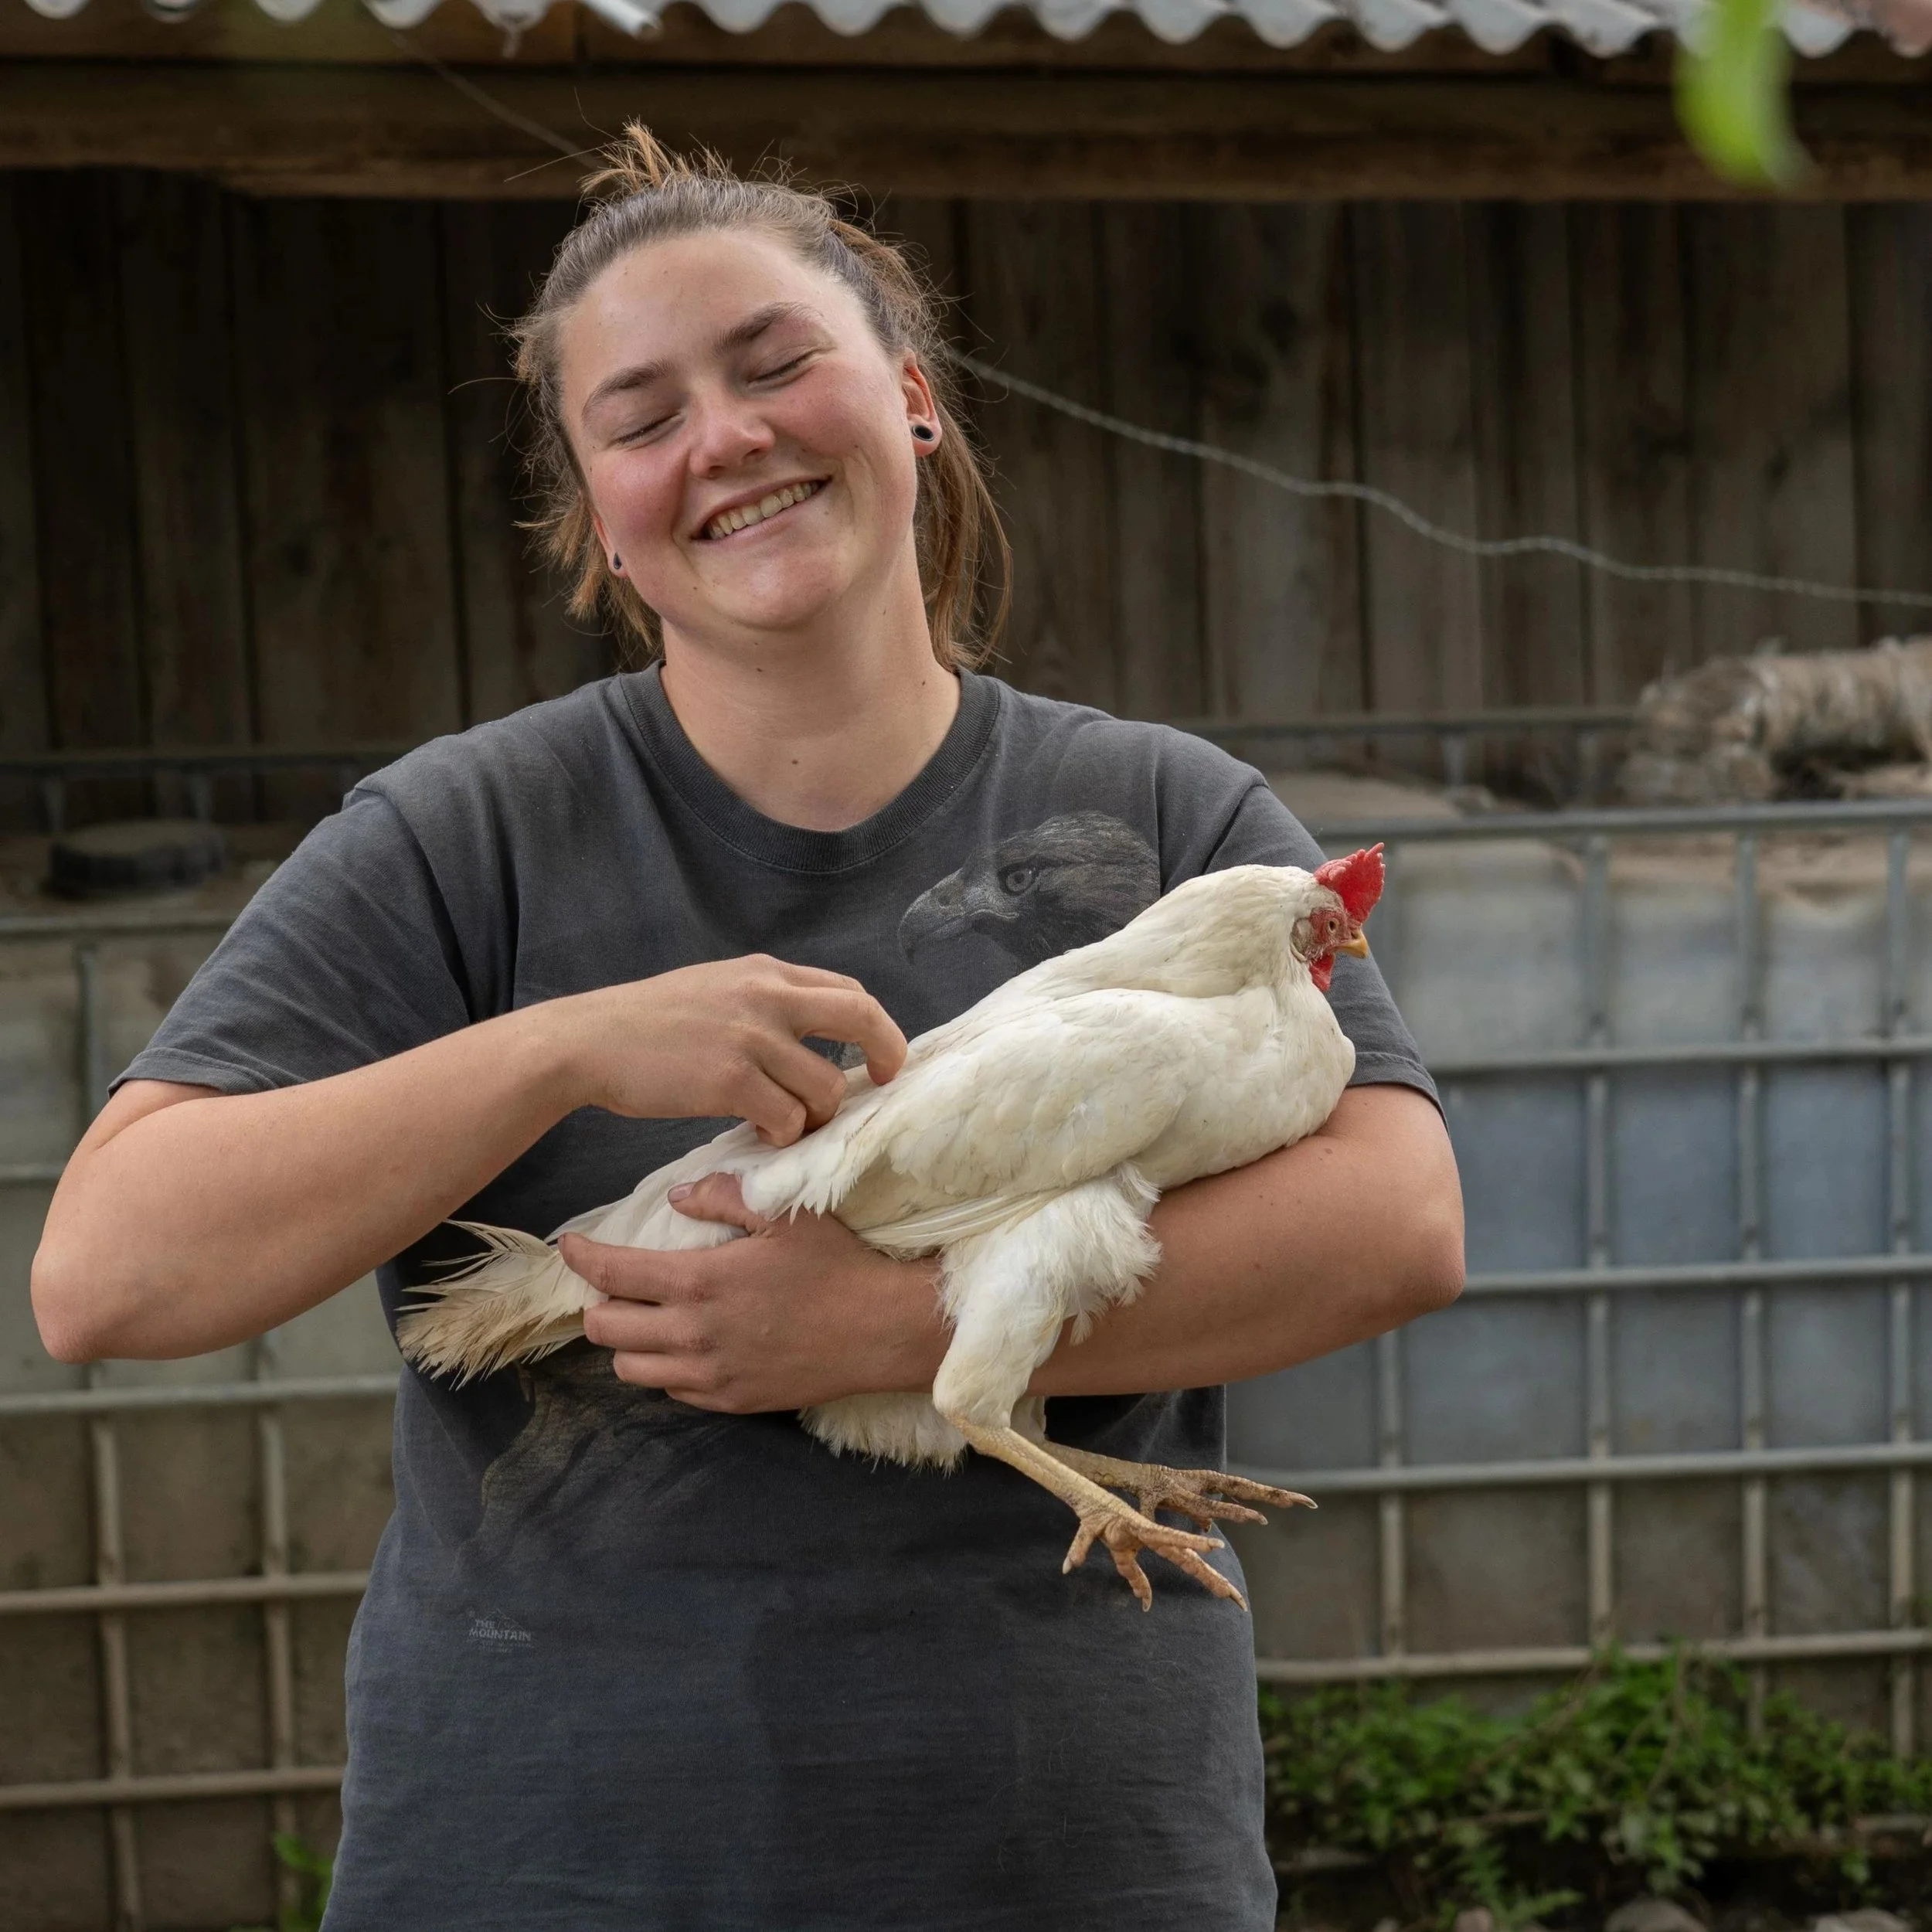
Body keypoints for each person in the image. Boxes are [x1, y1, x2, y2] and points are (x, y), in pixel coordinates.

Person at [32, 130, 1463, 1929]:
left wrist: (875, 1316)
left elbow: (1401, 1222)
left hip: (1061, 1860)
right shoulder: (454, 837)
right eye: (640, 418)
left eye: (777, 364)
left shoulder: (1167, 812)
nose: (723, 438)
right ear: (599, 518)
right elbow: (104, 1277)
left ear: (913, 398)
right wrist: (557, 1045)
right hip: (553, 1862)